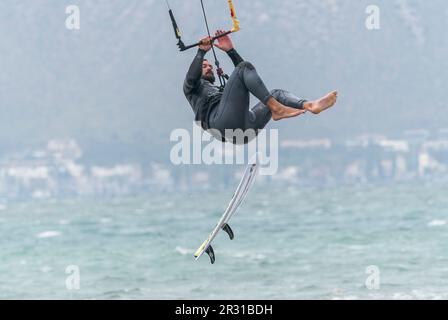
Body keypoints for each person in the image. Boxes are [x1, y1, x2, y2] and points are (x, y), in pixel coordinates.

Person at [183, 30, 338, 143]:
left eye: (209, 65)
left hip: (245, 130)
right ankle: (276, 109)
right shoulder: (191, 88)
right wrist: (200, 53)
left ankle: (309, 105)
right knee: (244, 68)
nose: (209, 67)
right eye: (204, 66)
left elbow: (245, 75)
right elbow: (193, 75)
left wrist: (231, 51)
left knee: (276, 93)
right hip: (222, 124)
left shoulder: (218, 90)